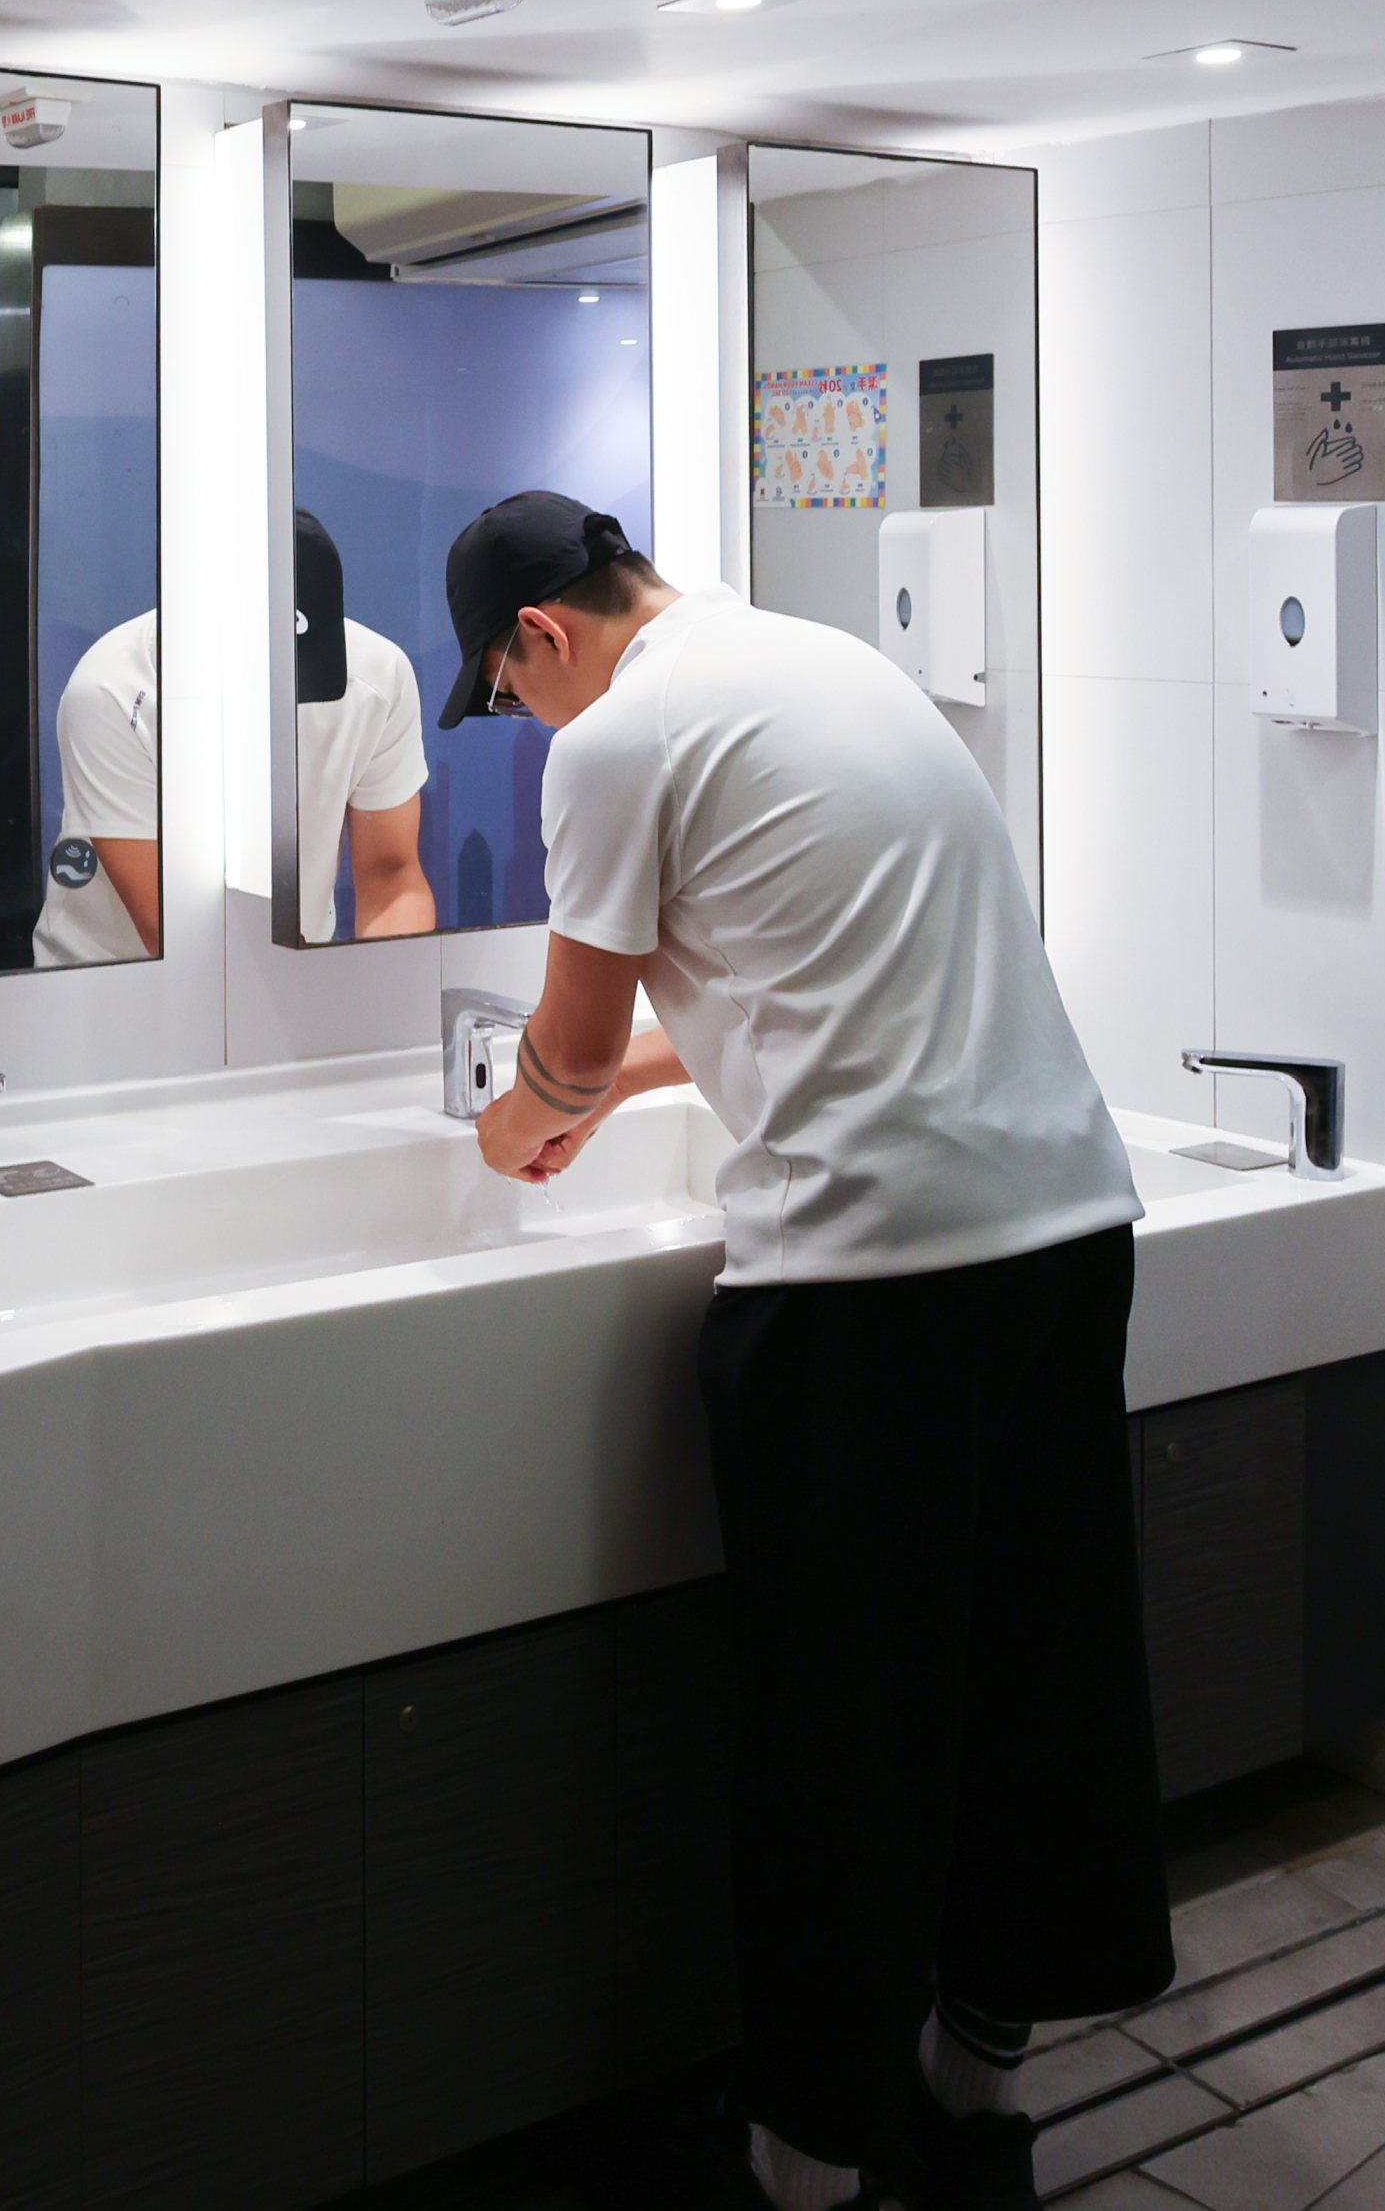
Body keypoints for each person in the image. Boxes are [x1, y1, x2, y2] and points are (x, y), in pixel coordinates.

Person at [442, 491, 1165, 2211]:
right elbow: (815, 979)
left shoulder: (612, 741)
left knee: (840, 1732)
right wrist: (610, 1087)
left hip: (868, 1289)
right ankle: (979, 2102)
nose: (523, 724)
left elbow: (569, 1042)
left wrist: (514, 1126)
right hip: (1063, 1235)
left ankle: (807, 2161)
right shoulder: (825, 665)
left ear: (541, 636)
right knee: (1028, 1686)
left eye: (507, 691)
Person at [29, 512, 435, 962]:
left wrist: (389, 981)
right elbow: (170, 929)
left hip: (294, 967)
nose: (270, 702)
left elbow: (392, 874)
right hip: (109, 978)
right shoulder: (112, 691)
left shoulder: (377, 680)